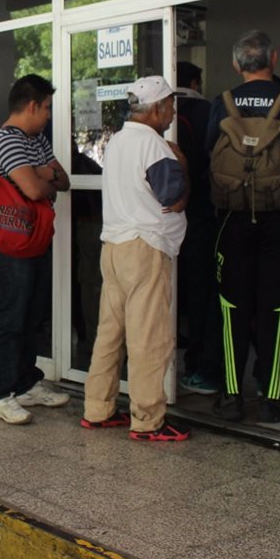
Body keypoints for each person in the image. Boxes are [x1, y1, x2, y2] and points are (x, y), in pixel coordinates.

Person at [81, 75, 191, 442]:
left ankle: (98, 409)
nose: (173, 113)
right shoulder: (155, 146)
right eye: (171, 105)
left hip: (113, 248)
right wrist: (184, 166)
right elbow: (173, 199)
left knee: (110, 333)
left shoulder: (116, 142)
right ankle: (148, 420)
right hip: (144, 249)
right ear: (157, 107)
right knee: (149, 337)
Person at [204, 31, 280, 423]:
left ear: (235, 64)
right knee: (275, 308)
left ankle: (230, 397)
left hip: (232, 221)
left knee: (231, 308)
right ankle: (271, 398)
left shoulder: (221, 104)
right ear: (273, 58)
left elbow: (207, 154)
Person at [0, 75, 71, 425]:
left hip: (35, 238)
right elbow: (35, 190)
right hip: (12, 241)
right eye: (47, 107)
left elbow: (63, 180)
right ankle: (1, 394)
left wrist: (42, 173)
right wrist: (42, 174)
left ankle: (26, 383)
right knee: (11, 316)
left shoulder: (37, 140)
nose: (49, 115)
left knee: (32, 313)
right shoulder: (5, 140)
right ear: (32, 105)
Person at [172, 61, 222, 396]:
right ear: (195, 80)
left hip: (165, 215)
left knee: (170, 286)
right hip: (204, 213)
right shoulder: (210, 111)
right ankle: (198, 362)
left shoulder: (163, 117)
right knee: (202, 290)